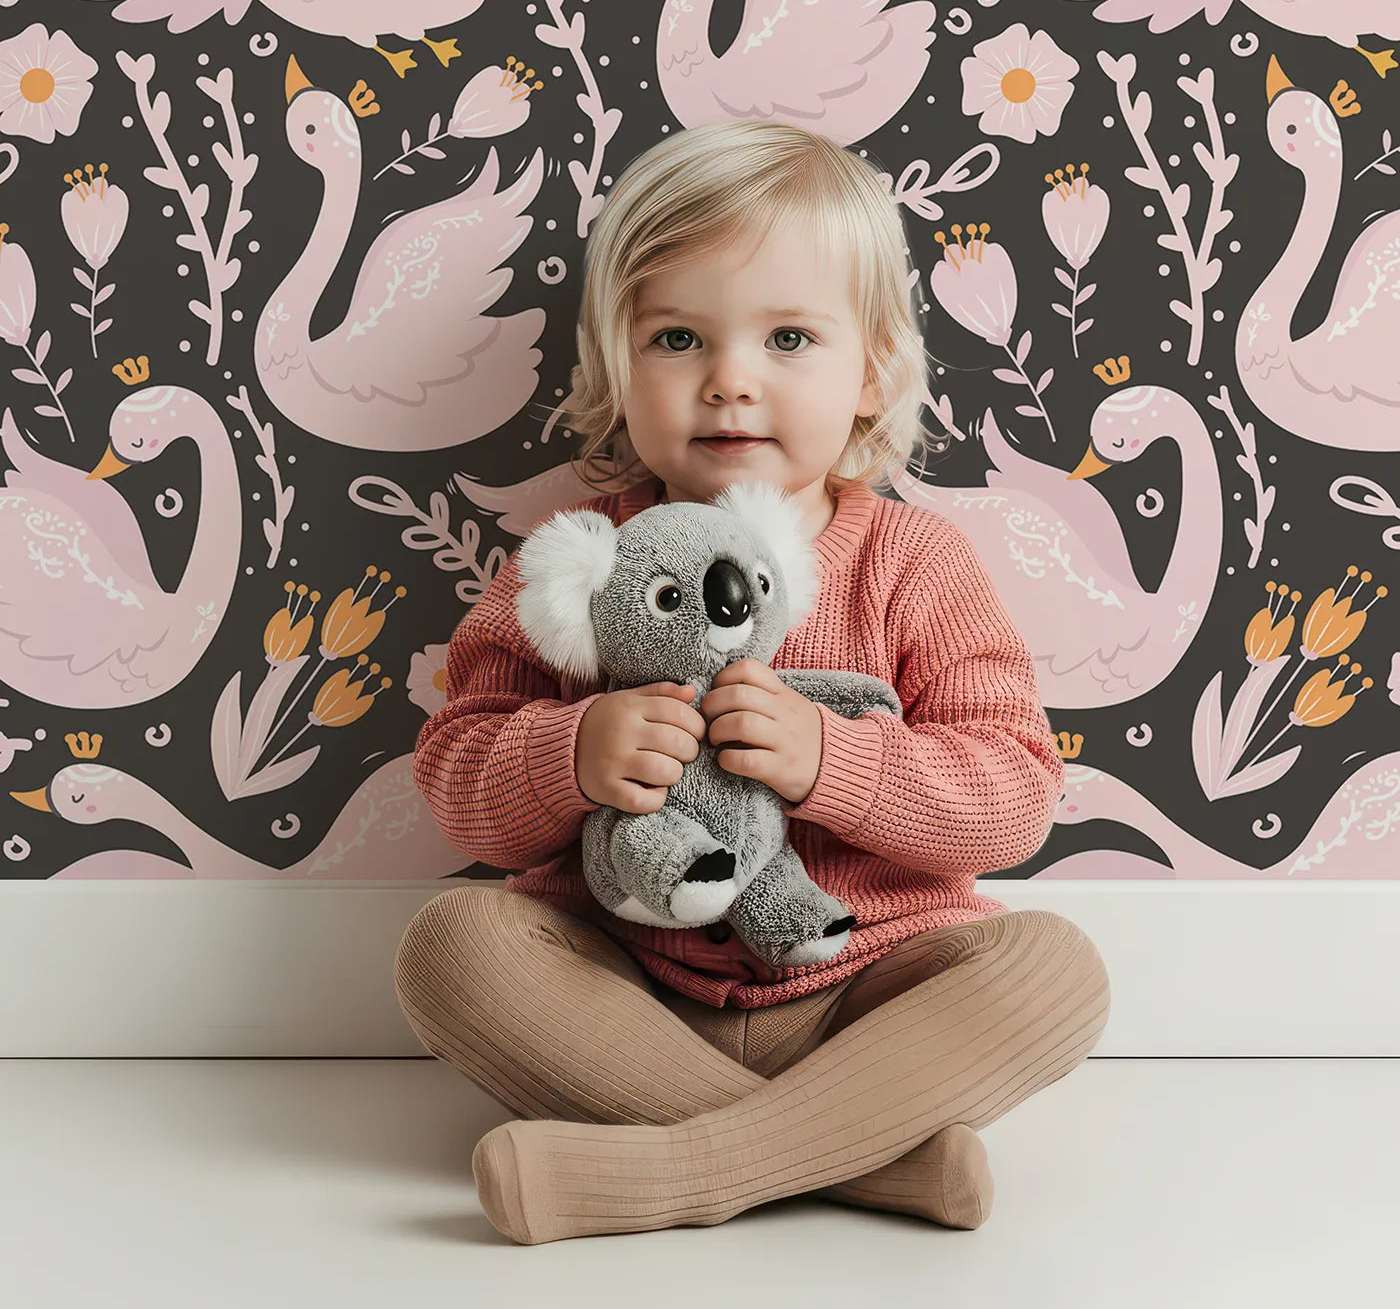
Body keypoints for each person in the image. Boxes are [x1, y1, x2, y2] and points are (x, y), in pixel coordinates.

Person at [396, 119, 1111, 1246]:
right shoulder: (577, 558)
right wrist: (570, 752)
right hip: (631, 991)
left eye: (787, 337)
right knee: (452, 944)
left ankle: (690, 1168)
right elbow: (455, 771)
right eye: (678, 337)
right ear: (618, 367)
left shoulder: (912, 563)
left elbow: (1012, 793)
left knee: (1050, 969)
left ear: (871, 370)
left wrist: (837, 761)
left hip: (868, 980)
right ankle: (868, 1160)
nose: (729, 381)